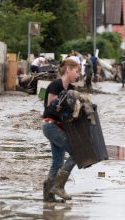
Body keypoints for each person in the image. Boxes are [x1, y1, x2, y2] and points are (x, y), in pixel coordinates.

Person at [42, 56, 80, 202]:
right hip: (50, 125)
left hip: (59, 127)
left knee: (57, 162)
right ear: (68, 70)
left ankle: (48, 197)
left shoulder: (71, 88)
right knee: (77, 153)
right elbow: (50, 107)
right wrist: (63, 103)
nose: (77, 75)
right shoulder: (55, 86)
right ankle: (59, 186)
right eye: (76, 71)